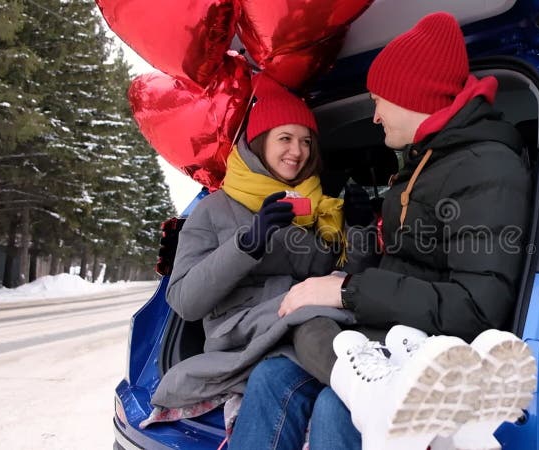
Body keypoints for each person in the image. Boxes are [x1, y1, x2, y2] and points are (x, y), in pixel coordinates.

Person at [240, 11, 538, 450]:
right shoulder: (426, 163)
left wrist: (349, 292)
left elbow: (477, 308)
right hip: (390, 329)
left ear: (412, 96)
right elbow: (407, 259)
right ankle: (375, 395)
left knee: (334, 404)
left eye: (379, 99)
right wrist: (344, 276)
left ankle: (389, 404)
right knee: (273, 371)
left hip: (427, 344)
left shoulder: (486, 167)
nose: (375, 116)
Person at [144, 73, 373, 435]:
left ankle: (378, 398)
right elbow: (185, 301)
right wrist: (247, 243)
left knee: (326, 393)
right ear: (259, 142)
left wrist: (358, 229)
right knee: (274, 376)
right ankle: (378, 398)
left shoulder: (319, 208)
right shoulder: (214, 209)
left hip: (308, 330)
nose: (297, 152)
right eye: (285, 139)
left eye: (306, 142)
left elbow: (344, 280)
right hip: (244, 338)